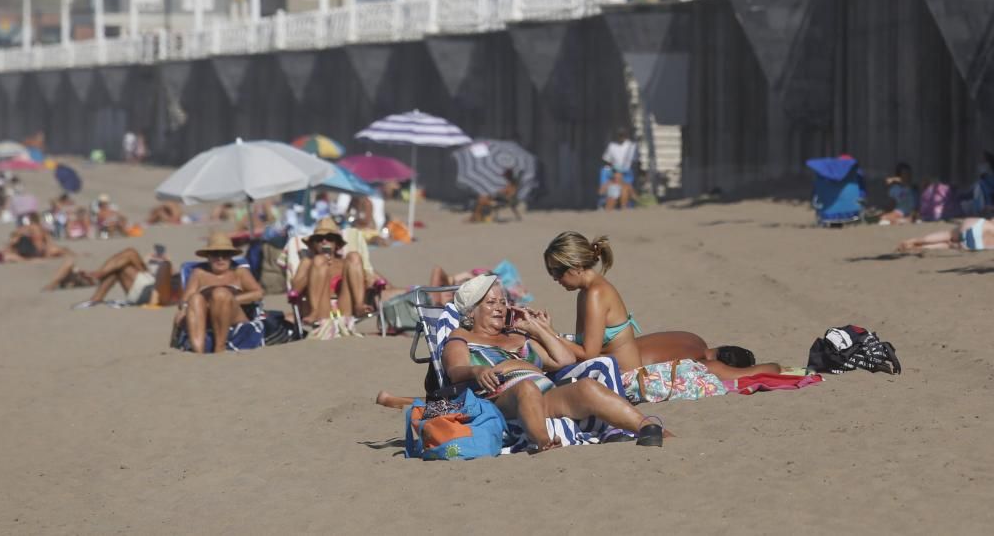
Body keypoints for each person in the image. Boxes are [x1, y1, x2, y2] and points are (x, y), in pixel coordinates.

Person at [543, 232, 782, 402]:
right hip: (616, 371)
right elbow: (584, 348)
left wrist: (548, 333)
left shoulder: (595, 294)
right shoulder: (585, 293)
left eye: (556, 271)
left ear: (574, 265)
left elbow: (590, 355)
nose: (553, 278)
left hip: (629, 381)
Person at [441, 275, 665, 451]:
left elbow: (564, 359)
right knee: (526, 388)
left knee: (586, 387)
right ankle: (543, 440)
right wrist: (477, 369)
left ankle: (646, 426)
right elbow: (454, 371)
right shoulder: (461, 337)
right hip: (499, 399)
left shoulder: (517, 336)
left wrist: (537, 328)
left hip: (544, 395)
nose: (500, 308)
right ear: (471, 312)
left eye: (503, 302)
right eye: (490, 303)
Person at [171, 233, 265, 353]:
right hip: (207, 317)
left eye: (225, 254)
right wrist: (185, 309)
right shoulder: (199, 274)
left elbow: (258, 293)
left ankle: (219, 348)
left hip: (235, 315)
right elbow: (185, 300)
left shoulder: (239, 272)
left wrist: (227, 301)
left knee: (220, 294)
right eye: (215, 254)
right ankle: (198, 351)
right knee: (195, 299)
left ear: (231, 256)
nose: (220, 258)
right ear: (208, 257)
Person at [290, 218, 392, 323]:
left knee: (354, 256)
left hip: (346, 308)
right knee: (319, 260)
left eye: (329, 238)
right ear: (312, 245)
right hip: (321, 310)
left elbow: (373, 281)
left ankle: (359, 305)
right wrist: (313, 269)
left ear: (337, 244)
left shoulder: (346, 263)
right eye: (319, 239)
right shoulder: (307, 262)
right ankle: (315, 312)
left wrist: (370, 282)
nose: (324, 241)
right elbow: (294, 290)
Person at [70, 247, 169, 308]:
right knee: (121, 263)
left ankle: (98, 276)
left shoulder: (168, 265)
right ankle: (97, 281)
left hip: (150, 291)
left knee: (130, 253)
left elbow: (169, 276)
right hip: (148, 289)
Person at [896, 217, 994, 252]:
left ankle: (915, 241)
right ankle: (919, 248)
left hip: (978, 226)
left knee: (949, 234)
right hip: (980, 244)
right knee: (948, 245)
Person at [1, 213, 71, 262]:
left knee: (9, 254)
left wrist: (7, 247)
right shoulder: (41, 228)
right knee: (61, 250)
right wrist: (47, 254)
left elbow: (14, 240)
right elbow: (49, 242)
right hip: (41, 251)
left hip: (33, 252)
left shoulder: (28, 227)